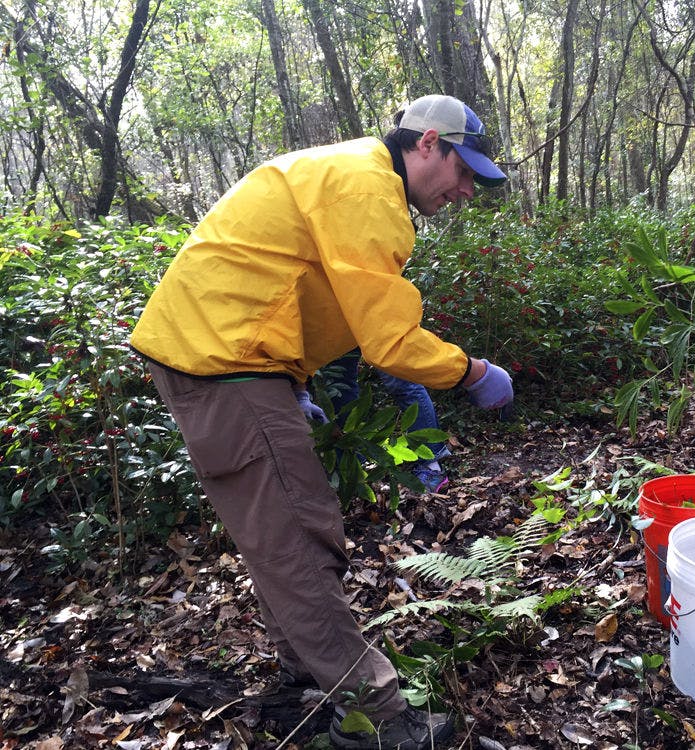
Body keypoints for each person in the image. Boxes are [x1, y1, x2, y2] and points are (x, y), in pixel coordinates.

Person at [130, 93, 514, 750]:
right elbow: (389, 340)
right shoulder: (367, 189)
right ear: (427, 143)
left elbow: (289, 280)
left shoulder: (350, 173)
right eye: (463, 170)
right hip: (229, 364)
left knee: (284, 532)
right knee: (297, 540)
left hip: (233, 358)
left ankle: (302, 682)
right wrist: (472, 372)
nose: (466, 190)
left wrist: (295, 380)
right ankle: (374, 717)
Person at [324, 349, 451, 493]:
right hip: (338, 329)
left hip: (373, 327)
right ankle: (357, 472)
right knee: (339, 382)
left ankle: (432, 469)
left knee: (400, 378)